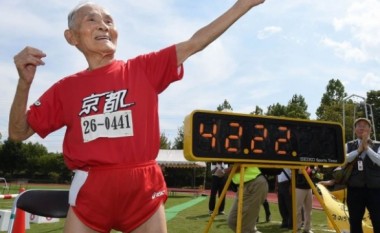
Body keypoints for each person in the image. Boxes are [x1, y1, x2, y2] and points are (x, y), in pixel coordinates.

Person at [8, 1, 266, 232]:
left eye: (109, 20)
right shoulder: (65, 89)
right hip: (91, 189)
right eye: (92, 20)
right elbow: (18, 132)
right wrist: (24, 83)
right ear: (71, 37)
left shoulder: (142, 69)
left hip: (144, 188)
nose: (103, 26)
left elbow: (194, 43)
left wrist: (243, 5)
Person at [345, 118, 380, 233]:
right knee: (355, 222)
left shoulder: (378, 145)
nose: (361, 128)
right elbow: (343, 160)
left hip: (375, 190)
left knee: (378, 220)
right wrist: (358, 150)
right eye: (358, 126)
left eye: (365, 126)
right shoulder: (348, 145)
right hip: (355, 190)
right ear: (355, 130)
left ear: (370, 129)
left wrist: (366, 148)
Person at [227, 166, 268, 233]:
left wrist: (225, 171)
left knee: (245, 227)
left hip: (254, 184)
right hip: (242, 186)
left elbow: (240, 164)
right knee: (232, 222)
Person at [295, 167, 314, 233]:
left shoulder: (312, 165)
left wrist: (315, 171)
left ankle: (307, 228)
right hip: (299, 188)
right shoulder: (298, 164)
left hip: (309, 188)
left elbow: (315, 176)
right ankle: (297, 228)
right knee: (297, 209)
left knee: (309, 210)